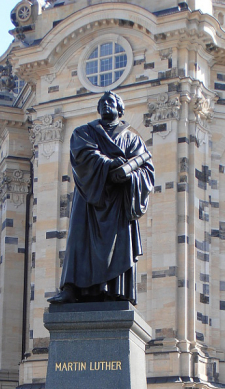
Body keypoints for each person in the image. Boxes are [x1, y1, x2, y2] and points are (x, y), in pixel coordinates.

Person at [48, 91, 154, 306]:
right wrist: (112, 164)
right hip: (89, 196)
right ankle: (70, 289)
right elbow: (84, 155)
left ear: (120, 109)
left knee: (118, 245)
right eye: (102, 102)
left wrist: (128, 174)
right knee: (78, 239)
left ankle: (114, 291)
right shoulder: (84, 132)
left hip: (118, 200)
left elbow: (147, 171)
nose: (106, 105)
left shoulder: (132, 139)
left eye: (111, 102)